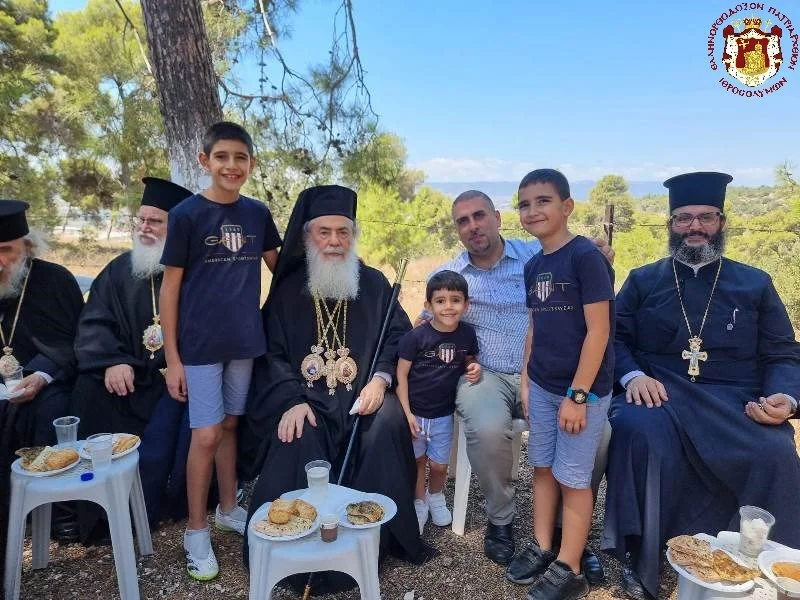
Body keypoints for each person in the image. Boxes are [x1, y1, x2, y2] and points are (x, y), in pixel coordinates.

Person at [601, 171, 800, 600]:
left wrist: (786, 397)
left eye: (705, 217)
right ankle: (642, 555)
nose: (695, 227)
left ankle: (761, 567)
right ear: (670, 225)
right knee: (639, 434)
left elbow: (783, 352)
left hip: (736, 397)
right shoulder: (643, 279)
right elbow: (613, 338)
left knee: (775, 450)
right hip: (661, 391)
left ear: (722, 222)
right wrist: (633, 376)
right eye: (683, 218)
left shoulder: (755, 283)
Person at [242, 184, 429, 595]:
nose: (333, 241)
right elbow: (270, 354)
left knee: (387, 423)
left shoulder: (376, 284)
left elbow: (398, 337)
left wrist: (381, 381)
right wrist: (290, 400)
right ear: (308, 237)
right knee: (297, 434)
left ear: (354, 234)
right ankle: (298, 547)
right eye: (324, 232)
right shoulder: (289, 290)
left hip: (363, 399)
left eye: (343, 232)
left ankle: (379, 538)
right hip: (306, 400)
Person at [422, 189, 613, 583]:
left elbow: (579, 267)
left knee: (601, 433)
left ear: (497, 217)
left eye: (479, 216)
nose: (473, 226)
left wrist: (598, 251)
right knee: (488, 426)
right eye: (463, 221)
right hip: (485, 374)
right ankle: (501, 519)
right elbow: (427, 323)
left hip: (543, 374)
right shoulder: (452, 273)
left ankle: (568, 533)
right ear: (457, 229)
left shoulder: (535, 255)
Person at [159, 121, 281, 581]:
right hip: (200, 345)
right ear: (204, 161)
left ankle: (229, 507)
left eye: (241, 158)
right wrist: (173, 359)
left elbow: (282, 267)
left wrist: (335, 259)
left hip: (245, 340)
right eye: (223, 157)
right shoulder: (187, 215)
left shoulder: (257, 214)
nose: (232, 166)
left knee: (231, 424)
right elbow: (170, 289)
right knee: (206, 435)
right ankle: (195, 530)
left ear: (251, 163)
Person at [503, 169, 614, 600]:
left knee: (573, 477)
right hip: (545, 389)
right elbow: (535, 327)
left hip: (579, 394)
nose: (533, 211)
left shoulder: (586, 258)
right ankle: (544, 545)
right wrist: (528, 381)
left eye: (543, 201)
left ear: (567, 206)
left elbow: (599, 332)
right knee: (543, 468)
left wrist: (578, 395)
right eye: (525, 204)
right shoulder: (534, 265)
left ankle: (570, 567)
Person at [71, 177, 194, 541]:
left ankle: (152, 509)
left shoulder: (193, 272)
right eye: (140, 220)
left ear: (175, 230)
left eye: (155, 221)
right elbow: (94, 321)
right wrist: (111, 360)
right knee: (86, 394)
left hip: (175, 380)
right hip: (127, 378)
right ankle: (92, 512)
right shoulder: (118, 270)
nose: (144, 227)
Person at [0, 200, 84, 566]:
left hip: (50, 381)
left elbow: (74, 341)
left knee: (53, 412)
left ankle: (60, 511)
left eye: (6, 250)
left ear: (27, 248)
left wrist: (41, 374)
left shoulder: (55, 280)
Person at [396, 269, 481, 534]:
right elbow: (401, 375)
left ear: (466, 305)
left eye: (455, 300)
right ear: (428, 305)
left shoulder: (466, 334)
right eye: (440, 301)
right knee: (419, 460)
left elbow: (470, 359)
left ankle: (436, 496)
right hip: (416, 415)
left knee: (440, 464)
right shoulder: (415, 337)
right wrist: (407, 414)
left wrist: (474, 367)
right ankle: (419, 501)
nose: (448, 307)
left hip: (443, 414)